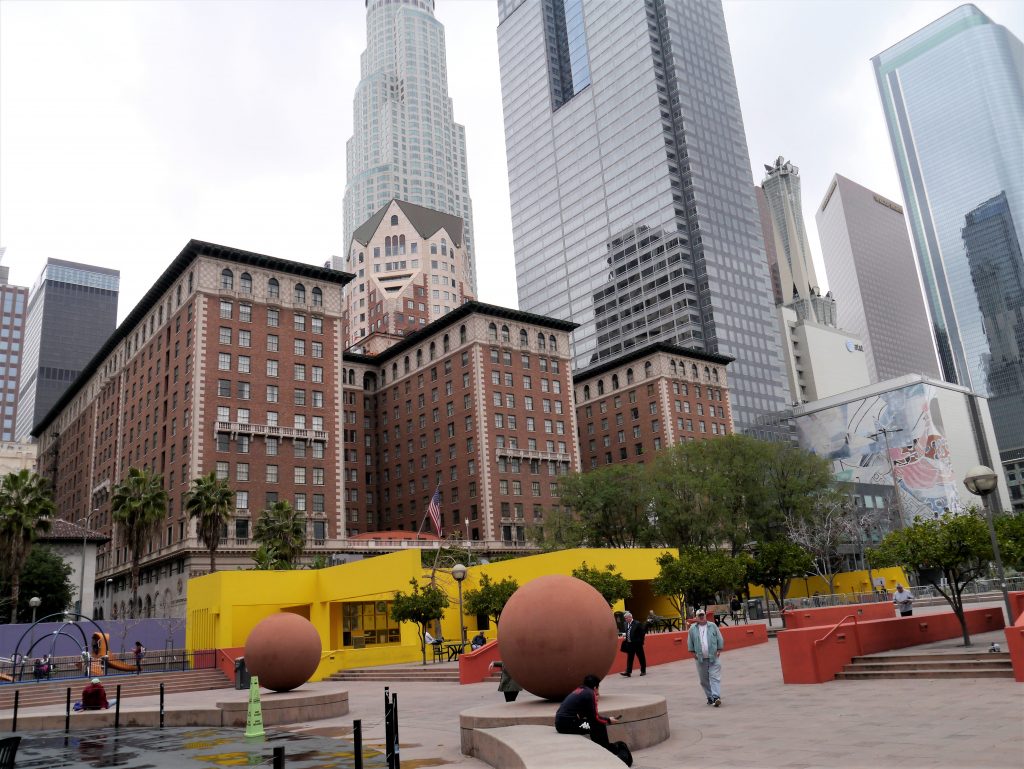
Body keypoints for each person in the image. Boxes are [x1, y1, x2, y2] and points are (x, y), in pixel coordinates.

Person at [555, 674, 622, 751]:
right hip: (568, 725)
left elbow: (587, 714)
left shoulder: (580, 690)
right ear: (595, 687)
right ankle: (606, 749)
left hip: (561, 723)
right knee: (599, 725)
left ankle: (600, 748)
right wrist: (608, 720)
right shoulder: (590, 693)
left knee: (594, 724)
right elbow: (596, 718)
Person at [687, 608, 724, 707]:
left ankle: (716, 697)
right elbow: (690, 642)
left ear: (705, 616)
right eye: (699, 616)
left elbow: (719, 638)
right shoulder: (692, 629)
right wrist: (692, 653)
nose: (701, 617)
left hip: (713, 657)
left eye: (703, 615)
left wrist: (719, 650)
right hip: (700, 659)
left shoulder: (712, 626)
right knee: (703, 680)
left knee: (714, 677)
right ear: (696, 617)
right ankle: (710, 697)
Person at [618, 611, 647, 677]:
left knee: (641, 657)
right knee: (630, 658)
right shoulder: (625, 624)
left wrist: (640, 642)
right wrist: (625, 636)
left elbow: (642, 633)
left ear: (630, 617)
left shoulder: (637, 623)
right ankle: (628, 672)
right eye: (625, 618)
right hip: (629, 644)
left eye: (626, 618)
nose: (625, 619)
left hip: (637, 644)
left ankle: (643, 671)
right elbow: (627, 631)